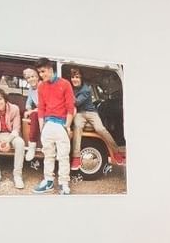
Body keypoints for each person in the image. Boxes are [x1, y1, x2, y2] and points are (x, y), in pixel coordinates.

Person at [32, 58, 74, 195]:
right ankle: (48, 181)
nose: (41, 75)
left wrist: (67, 127)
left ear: (50, 69)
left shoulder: (65, 84)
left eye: (43, 71)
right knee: (48, 155)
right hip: (48, 125)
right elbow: (41, 109)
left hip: (61, 124)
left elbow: (70, 108)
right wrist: (42, 128)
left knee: (63, 156)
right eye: (39, 72)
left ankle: (63, 183)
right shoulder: (41, 86)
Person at [68, 67, 119, 171]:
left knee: (100, 129)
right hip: (80, 113)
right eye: (73, 77)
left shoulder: (86, 89)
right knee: (78, 127)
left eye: (77, 77)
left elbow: (76, 102)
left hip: (91, 113)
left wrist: (67, 93)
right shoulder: (71, 88)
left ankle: (116, 151)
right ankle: (76, 157)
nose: (74, 79)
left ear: (81, 78)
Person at [22, 67, 41, 161]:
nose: (31, 79)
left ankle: (32, 146)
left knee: (34, 115)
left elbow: (44, 105)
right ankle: (31, 146)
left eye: (33, 76)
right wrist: (29, 109)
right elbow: (28, 103)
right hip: (39, 111)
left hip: (48, 110)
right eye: (28, 78)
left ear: (37, 77)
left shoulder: (43, 86)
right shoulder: (31, 89)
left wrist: (32, 111)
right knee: (31, 115)